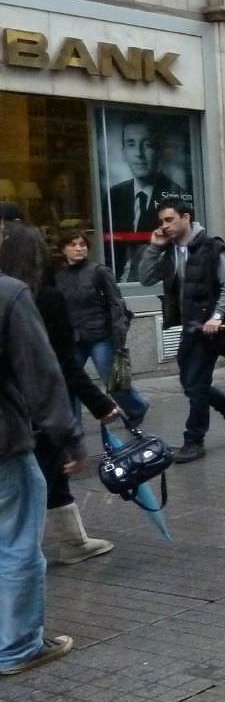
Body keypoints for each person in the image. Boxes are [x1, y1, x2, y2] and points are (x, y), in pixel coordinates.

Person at [0, 221, 120, 564]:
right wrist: (76, 427)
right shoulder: (35, 296)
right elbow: (54, 366)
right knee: (38, 480)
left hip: (16, 417)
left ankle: (70, 540)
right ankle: (62, 543)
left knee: (42, 477)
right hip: (23, 417)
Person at [0, 242, 84, 674]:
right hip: (3, 449)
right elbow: (42, 374)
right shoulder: (9, 294)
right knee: (16, 544)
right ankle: (16, 646)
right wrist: (69, 436)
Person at [137, 196, 225, 462]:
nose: (164, 226)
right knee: (191, 384)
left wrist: (216, 316)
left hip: (211, 329)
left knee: (197, 384)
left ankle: (194, 440)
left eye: (170, 220)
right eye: (161, 222)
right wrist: (154, 247)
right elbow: (145, 279)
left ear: (186, 217)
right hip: (188, 328)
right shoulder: (168, 250)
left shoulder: (212, 248)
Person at [55, 227, 149, 428]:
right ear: (63, 249)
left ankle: (137, 407)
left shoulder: (98, 272)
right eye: (73, 245)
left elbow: (116, 304)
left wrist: (119, 337)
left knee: (115, 383)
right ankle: (74, 428)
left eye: (82, 245)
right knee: (70, 383)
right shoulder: (58, 277)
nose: (79, 249)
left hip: (100, 335)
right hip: (74, 338)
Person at [105, 113, 184, 280]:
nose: (139, 154)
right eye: (131, 144)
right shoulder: (113, 195)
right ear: (124, 152)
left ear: (159, 150)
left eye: (147, 144)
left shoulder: (176, 193)